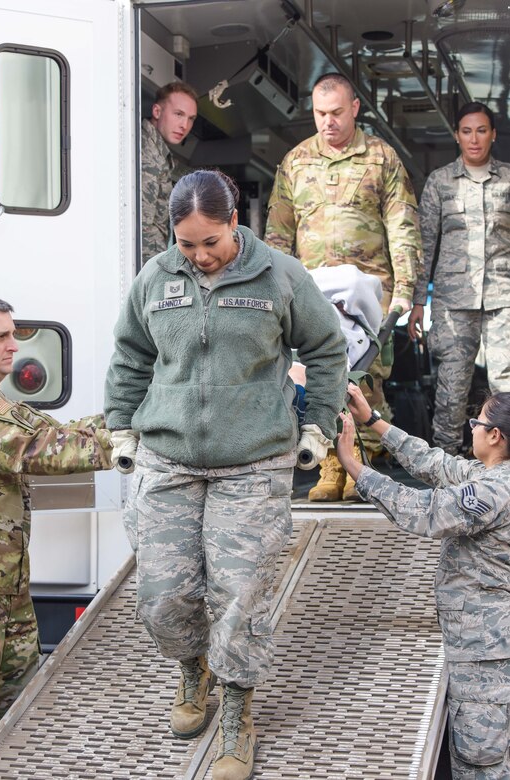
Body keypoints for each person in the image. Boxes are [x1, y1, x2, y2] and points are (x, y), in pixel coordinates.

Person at [104, 170, 347, 780]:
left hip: (254, 462)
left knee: (239, 597)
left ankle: (238, 712)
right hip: (169, 458)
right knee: (163, 599)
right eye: (187, 244)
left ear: (234, 221)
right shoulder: (155, 280)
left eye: (210, 242)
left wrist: (318, 424)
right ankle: (193, 669)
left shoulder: (281, 276)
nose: (200, 256)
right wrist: (121, 426)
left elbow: (326, 348)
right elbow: (131, 355)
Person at [337, 381, 510, 780]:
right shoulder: (493, 478)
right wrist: (374, 421)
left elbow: (423, 511)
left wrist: (356, 468)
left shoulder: (495, 491)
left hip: (486, 658)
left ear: (496, 435)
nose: (472, 429)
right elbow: (437, 465)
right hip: (490, 648)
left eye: (476, 423)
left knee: (479, 765)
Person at [265, 72, 422, 502]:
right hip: (313, 291)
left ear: (355, 108)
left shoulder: (381, 158)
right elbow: (277, 235)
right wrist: (271, 290)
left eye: (336, 112)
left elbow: (403, 226)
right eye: (319, 114)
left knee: (364, 378)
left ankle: (361, 467)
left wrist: (407, 288)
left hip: (370, 291)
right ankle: (333, 467)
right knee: (320, 375)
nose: (327, 122)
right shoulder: (295, 162)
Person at [0, 296, 112, 729]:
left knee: (16, 713)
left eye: (13, 335)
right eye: (0, 337)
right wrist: (131, 440)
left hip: (8, 587)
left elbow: (53, 431)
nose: (13, 346)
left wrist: (124, 417)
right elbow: (39, 450)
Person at [409, 101, 510, 455]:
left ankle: (505, 468)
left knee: (506, 387)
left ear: (493, 135)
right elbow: (424, 245)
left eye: (481, 130)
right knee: (451, 388)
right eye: (466, 131)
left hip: (503, 297)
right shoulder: (440, 181)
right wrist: (418, 301)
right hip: (453, 301)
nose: (474, 139)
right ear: (456, 135)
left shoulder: (508, 179)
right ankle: (445, 464)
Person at [141, 81, 198, 264]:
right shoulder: (146, 150)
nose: (184, 125)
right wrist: (161, 272)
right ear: (157, 112)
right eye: (178, 114)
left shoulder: (158, 151)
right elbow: (143, 225)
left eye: (191, 118)